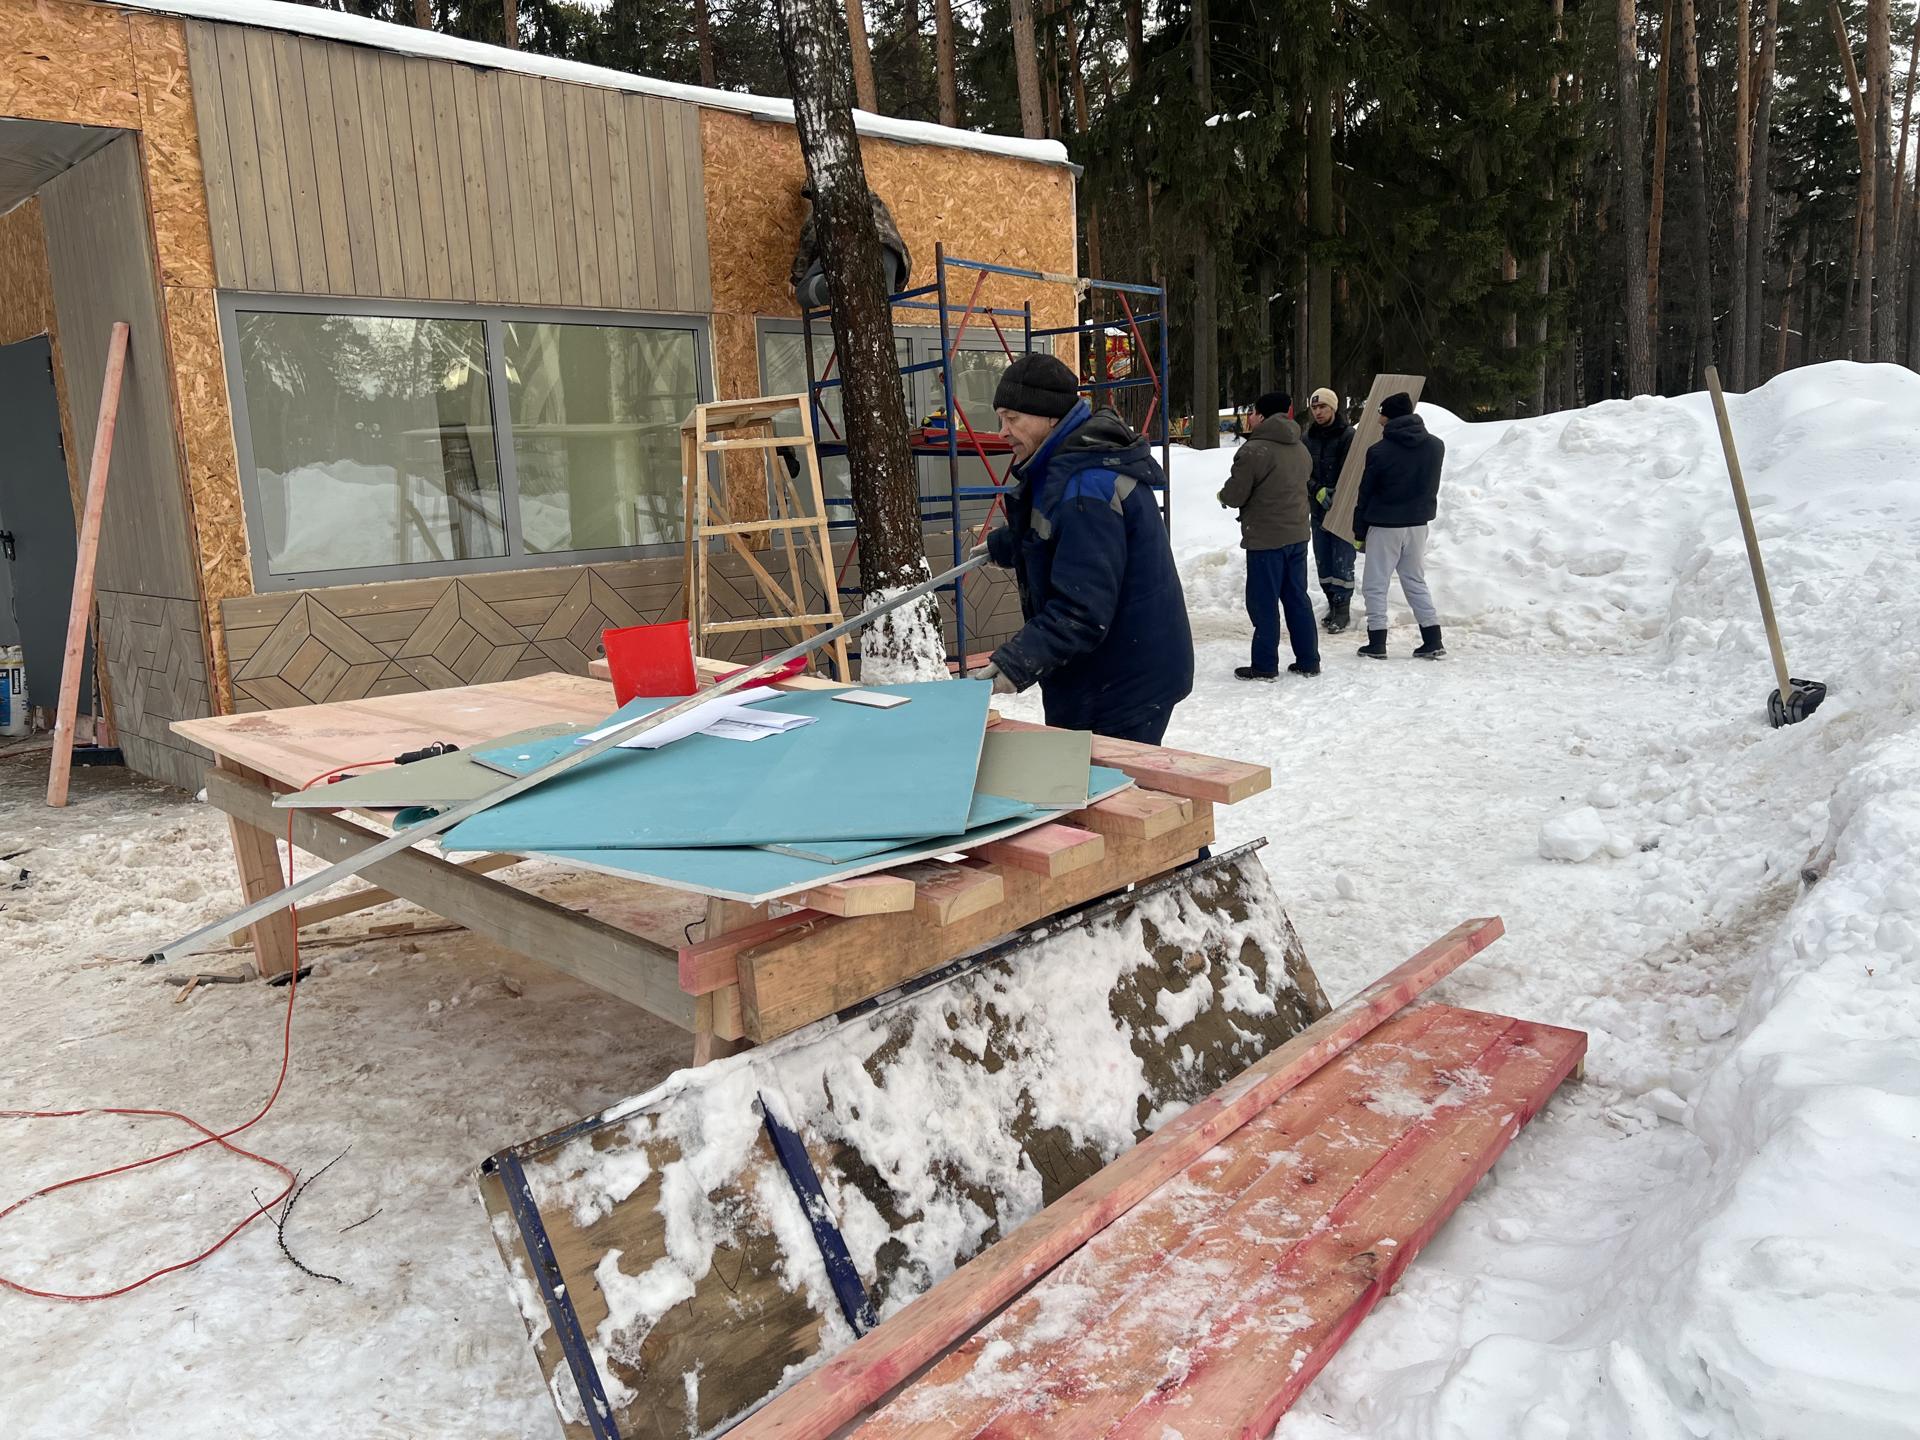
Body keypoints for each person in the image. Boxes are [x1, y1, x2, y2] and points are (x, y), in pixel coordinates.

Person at [974, 354, 1195, 744]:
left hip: (1122, 681)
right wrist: (1008, 545)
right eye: (1000, 418)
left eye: (1012, 418)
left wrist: (1016, 662)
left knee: (1111, 796)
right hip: (1105, 668)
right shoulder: (1068, 462)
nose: (1002, 431)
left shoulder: (1088, 483)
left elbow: (1082, 609)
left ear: (1050, 417)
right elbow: (1060, 536)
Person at [1217, 391, 1319, 679]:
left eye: (1252, 412)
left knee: (1263, 602)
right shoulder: (1300, 447)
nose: (1249, 417)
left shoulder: (1254, 450)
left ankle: (1264, 666)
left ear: (1262, 416)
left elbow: (1236, 494)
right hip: (1298, 534)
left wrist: (1222, 495)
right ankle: (1309, 659)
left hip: (1266, 539)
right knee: (1297, 597)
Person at [1353, 391, 1446, 660]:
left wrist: (1359, 531)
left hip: (1385, 524)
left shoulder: (1379, 451)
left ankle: (1377, 642)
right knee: (1415, 581)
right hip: (1418, 524)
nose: (1379, 418)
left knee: (1375, 584)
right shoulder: (1436, 446)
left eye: (1381, 412)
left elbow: (1365, 493)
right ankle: (1432, 639)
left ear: (1389, 416)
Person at [790, 183, 912, 310]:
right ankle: (858, 286)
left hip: (850, 246)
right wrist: (894, 287)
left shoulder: (826, 198)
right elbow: (901, 247)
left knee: (803, 293)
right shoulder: (875, 202)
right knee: (881, 311)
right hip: (890, 254)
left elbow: (810, 236)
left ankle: (848, 283)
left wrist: (797, 277)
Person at [1302, 387, 1357, 632]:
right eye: (1314, 408)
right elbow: (1301, 471)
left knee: (1342, 560)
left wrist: (1337, 491)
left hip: (1342, 509)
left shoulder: (1347, 435)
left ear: (1333, 408)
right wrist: (1316, 489)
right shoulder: (1307, 438)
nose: (1318, 412)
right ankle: (1331, 603)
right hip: (1318, 508)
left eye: (1322, 407)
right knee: (1323, 560)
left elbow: (1352, 469)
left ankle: (1343, 608)